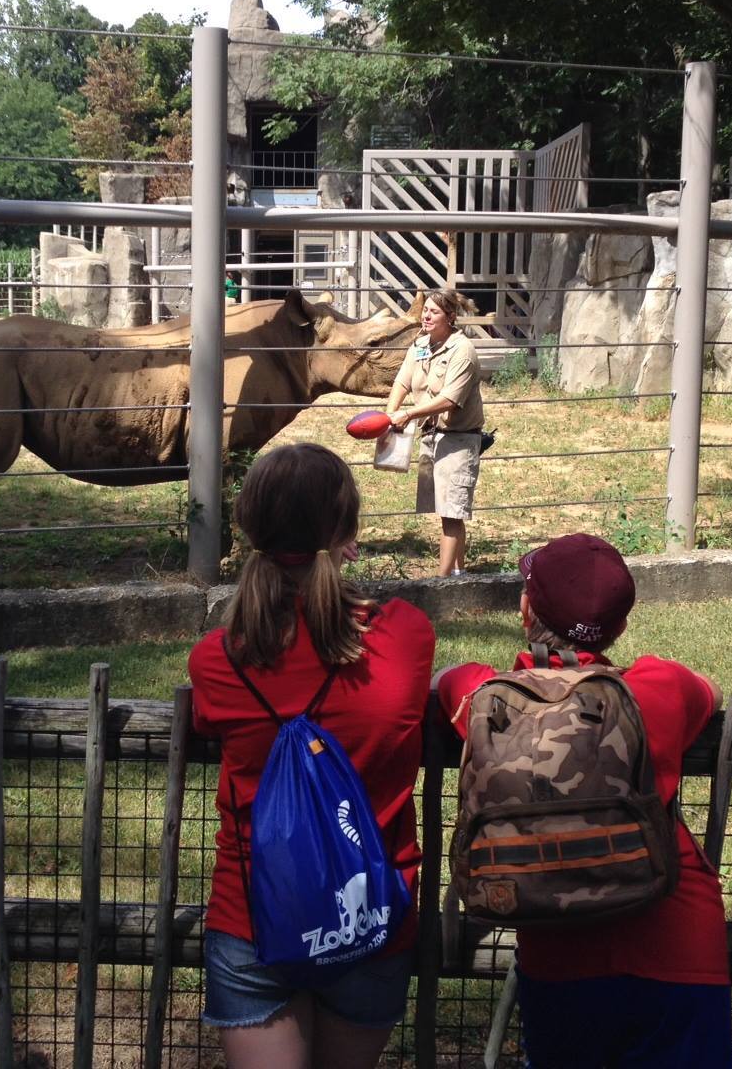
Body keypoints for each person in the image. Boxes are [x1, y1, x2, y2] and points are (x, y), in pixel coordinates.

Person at [434, 533, 732, 1069]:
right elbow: (708, 690)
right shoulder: (658, 687)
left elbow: (447, 681)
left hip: (560, 954)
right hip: (678, 941)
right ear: (620, 625)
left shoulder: (487, 698)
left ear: (526, 609)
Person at [188, 443, 434, 1069]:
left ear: (248, 529)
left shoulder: (218, 661)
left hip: (252, 917)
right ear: (346, 531)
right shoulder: (405, 635)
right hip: (370, 917)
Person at [383, 288, 484, 576]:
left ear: (451, 317)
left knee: (452, 513)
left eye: (434, 311)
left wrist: (408, 414)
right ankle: (459, 573)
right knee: (447, 511)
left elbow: (450, 399)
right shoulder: (422, 345)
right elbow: (402, 382)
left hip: (458, 440)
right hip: (432, 436)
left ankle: (440, 584)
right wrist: (391, 415)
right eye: (425, 309)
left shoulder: (463, 351)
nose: (426, 315)